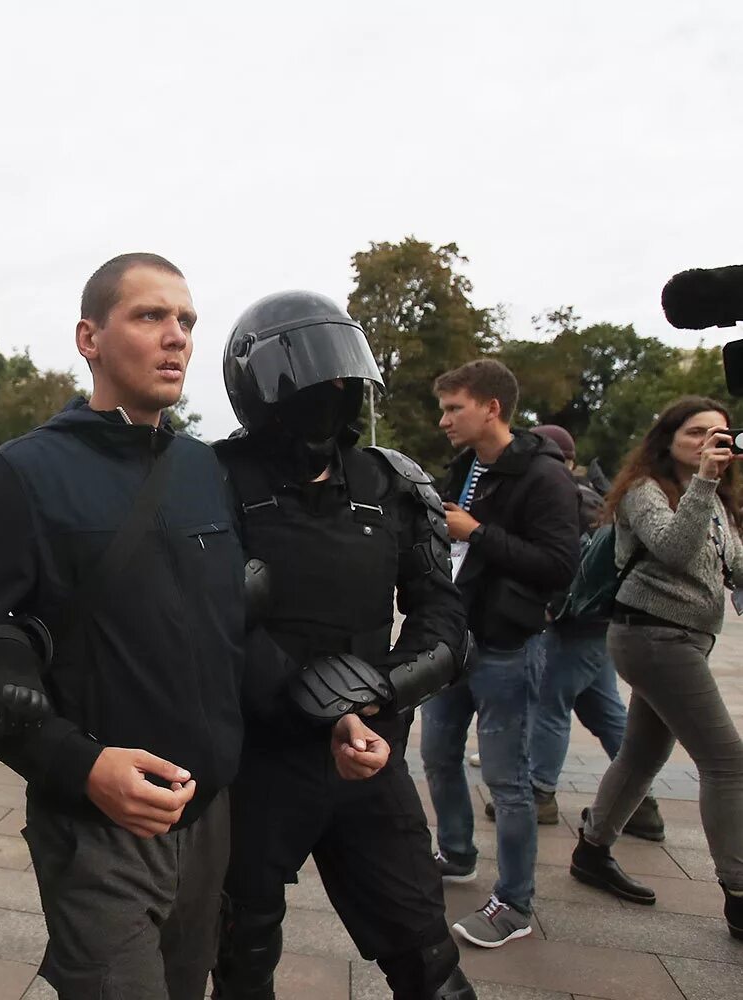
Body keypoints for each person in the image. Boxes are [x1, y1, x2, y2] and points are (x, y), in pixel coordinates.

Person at [0, 254, 387, 999]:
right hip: (98, 831)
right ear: (88, 338)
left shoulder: (202, 469)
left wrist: (324, 717)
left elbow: (228, 631)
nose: (177, 336)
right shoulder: (27, 472)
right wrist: (79, 766)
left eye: (187, 321)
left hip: (210, 818)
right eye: (150, 316)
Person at [211, 291, 474, 1000]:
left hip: (370, 759)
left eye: (341, 378)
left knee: (428, 957)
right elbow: (205, 619)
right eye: (311, 380)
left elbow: (443, 616)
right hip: (256, 762)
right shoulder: (212, 480)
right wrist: (312, 703)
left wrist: (382, 692)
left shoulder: (393, 483)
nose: (332, 394)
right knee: (241, 955)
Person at [569, 396, 743, 940]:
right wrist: (706, 484)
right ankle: (738, 891)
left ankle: (591, 850)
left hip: (684, 639)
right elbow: (672, 549)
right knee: (728, 762)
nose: (710, 443)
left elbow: (731, 565)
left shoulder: (716, 500)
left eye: (720, 434)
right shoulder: (647, 492)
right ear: (667, 440)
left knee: (644, 751)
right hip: (651, 637)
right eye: (696, 433)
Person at [420, 359, 580, 949]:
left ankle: (515, 903)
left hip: (508, 645)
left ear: (491, 408)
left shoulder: (545, 477)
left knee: (508, 782)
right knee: (437, 753)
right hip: (454, 640)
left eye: (454, 408)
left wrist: (476, 532)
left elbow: (560, 566)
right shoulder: (464, 468)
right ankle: (456, 853)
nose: (443, 421)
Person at [486, 425, 664, 839]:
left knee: (551, 702)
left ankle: (540, 793)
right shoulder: (589, 495)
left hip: (575, 623)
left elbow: (565, 562)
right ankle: (641, 803)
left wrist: (549, 607)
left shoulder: (568, 496)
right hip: (597, 624)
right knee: (604, 710)